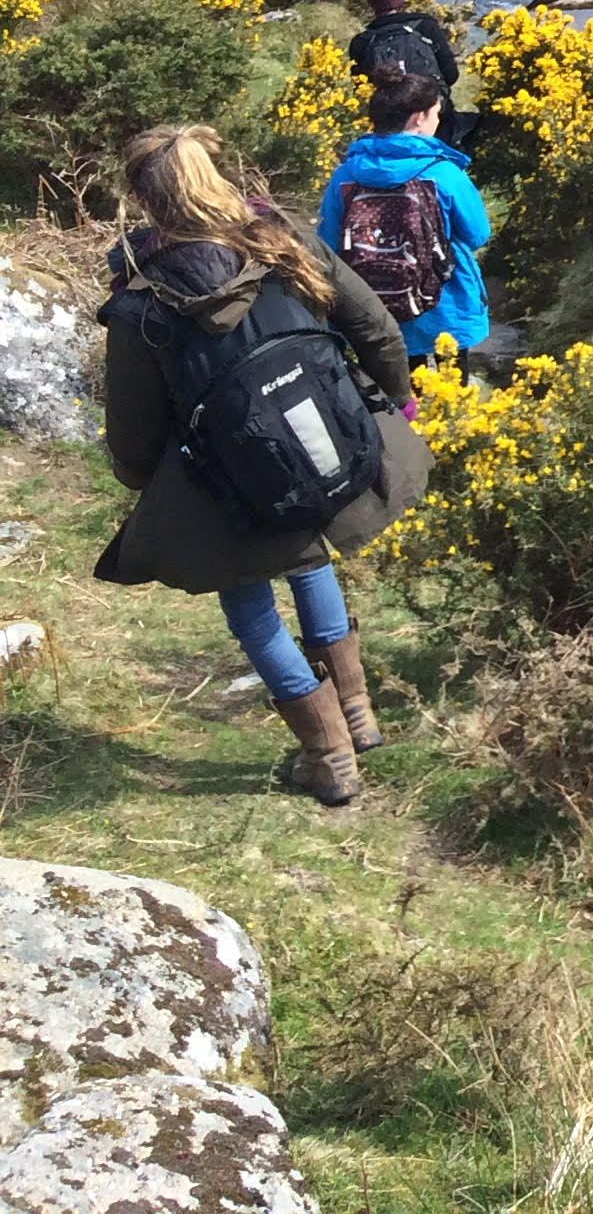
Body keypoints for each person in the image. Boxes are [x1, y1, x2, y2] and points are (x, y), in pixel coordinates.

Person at [96, 124, 431, 809]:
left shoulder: (140, 303)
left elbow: (133, 443)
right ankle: (359, 714)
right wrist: (396, 403)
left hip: (231, 482)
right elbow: (374, 329)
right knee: (311, 557)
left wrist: (157, 484)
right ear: (214, 172)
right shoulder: (281, 239)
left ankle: (330, 757)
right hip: (323, 443)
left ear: (143, 198)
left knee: (250, 607)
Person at [318, 63, 491, 367]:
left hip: (375, 305)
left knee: (400, 399)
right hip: (443, 302)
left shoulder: (346, 175)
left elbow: (328, 243)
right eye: (436, 113)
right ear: (419, 118)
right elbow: (478, 234)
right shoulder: (443, 174)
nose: (438, 121)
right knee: (451, 398)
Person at [346, 0, 464, 148]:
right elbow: (451, 74)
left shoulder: (362, 42)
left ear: (371, 1)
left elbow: (362, 90)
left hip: (389, 130)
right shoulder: (425, 26)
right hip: (435, 120)